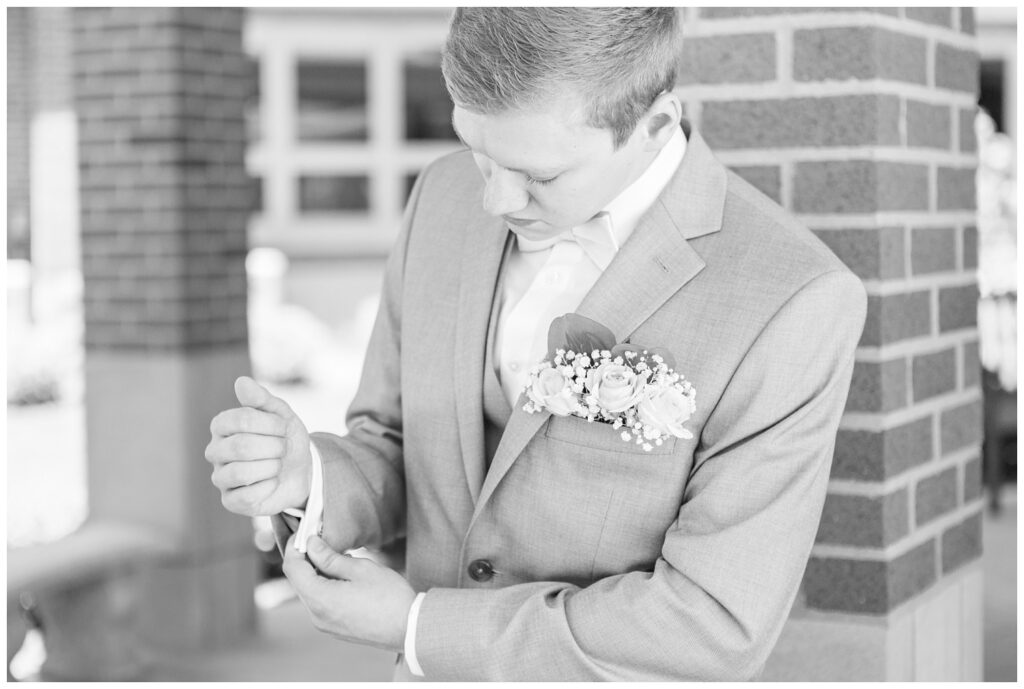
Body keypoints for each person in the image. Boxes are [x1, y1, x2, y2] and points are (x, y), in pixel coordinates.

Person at [206, 7, 867, 681]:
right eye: (477, 149)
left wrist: (420, 626)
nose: (494, 198)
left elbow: (710, 623)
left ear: (654, 125)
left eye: (539, 176)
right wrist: (312, 475)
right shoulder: (441, 194)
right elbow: (400, 443)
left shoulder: (794, 298)